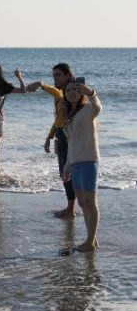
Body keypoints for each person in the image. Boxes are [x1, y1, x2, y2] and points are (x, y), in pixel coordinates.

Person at [26, 63, 76, 218]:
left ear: (68, 76)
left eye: (58, 74)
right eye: (54, 75)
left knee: (67, 172)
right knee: (64, 172)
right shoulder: (60, 93)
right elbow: (59, 119)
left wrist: (41, 85)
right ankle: (71, 207)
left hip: (69, 135)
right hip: (61, 134)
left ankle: (71, 208)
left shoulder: (69, 91)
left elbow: (59, 95)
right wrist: (49, 137)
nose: (55, 77)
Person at [62, 80, 102, 251]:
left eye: (75, 89)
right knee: (82, 203)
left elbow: (98, 106)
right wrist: (67, 166)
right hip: (75, 163)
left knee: (90, 202)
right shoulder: (70, 115)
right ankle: (91, 239)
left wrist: (91, 92)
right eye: (68, 90)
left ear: (81, 92)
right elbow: (71, 143)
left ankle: (90, 242)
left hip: (88, 161)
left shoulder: (88, 109)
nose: (71, 92)